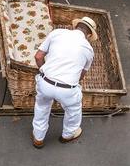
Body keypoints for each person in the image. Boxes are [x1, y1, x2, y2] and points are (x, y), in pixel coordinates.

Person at [31, 16, 97, 148]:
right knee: (73, 110)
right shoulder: (89, 51)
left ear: (75, 26)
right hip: (67, 89)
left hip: (46, 82)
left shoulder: (57, 33)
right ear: (89, 35)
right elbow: (80, 76)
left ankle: (38, 138)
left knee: (41, 107)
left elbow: (38, 56)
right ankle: (67, 135)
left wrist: (44, 72)